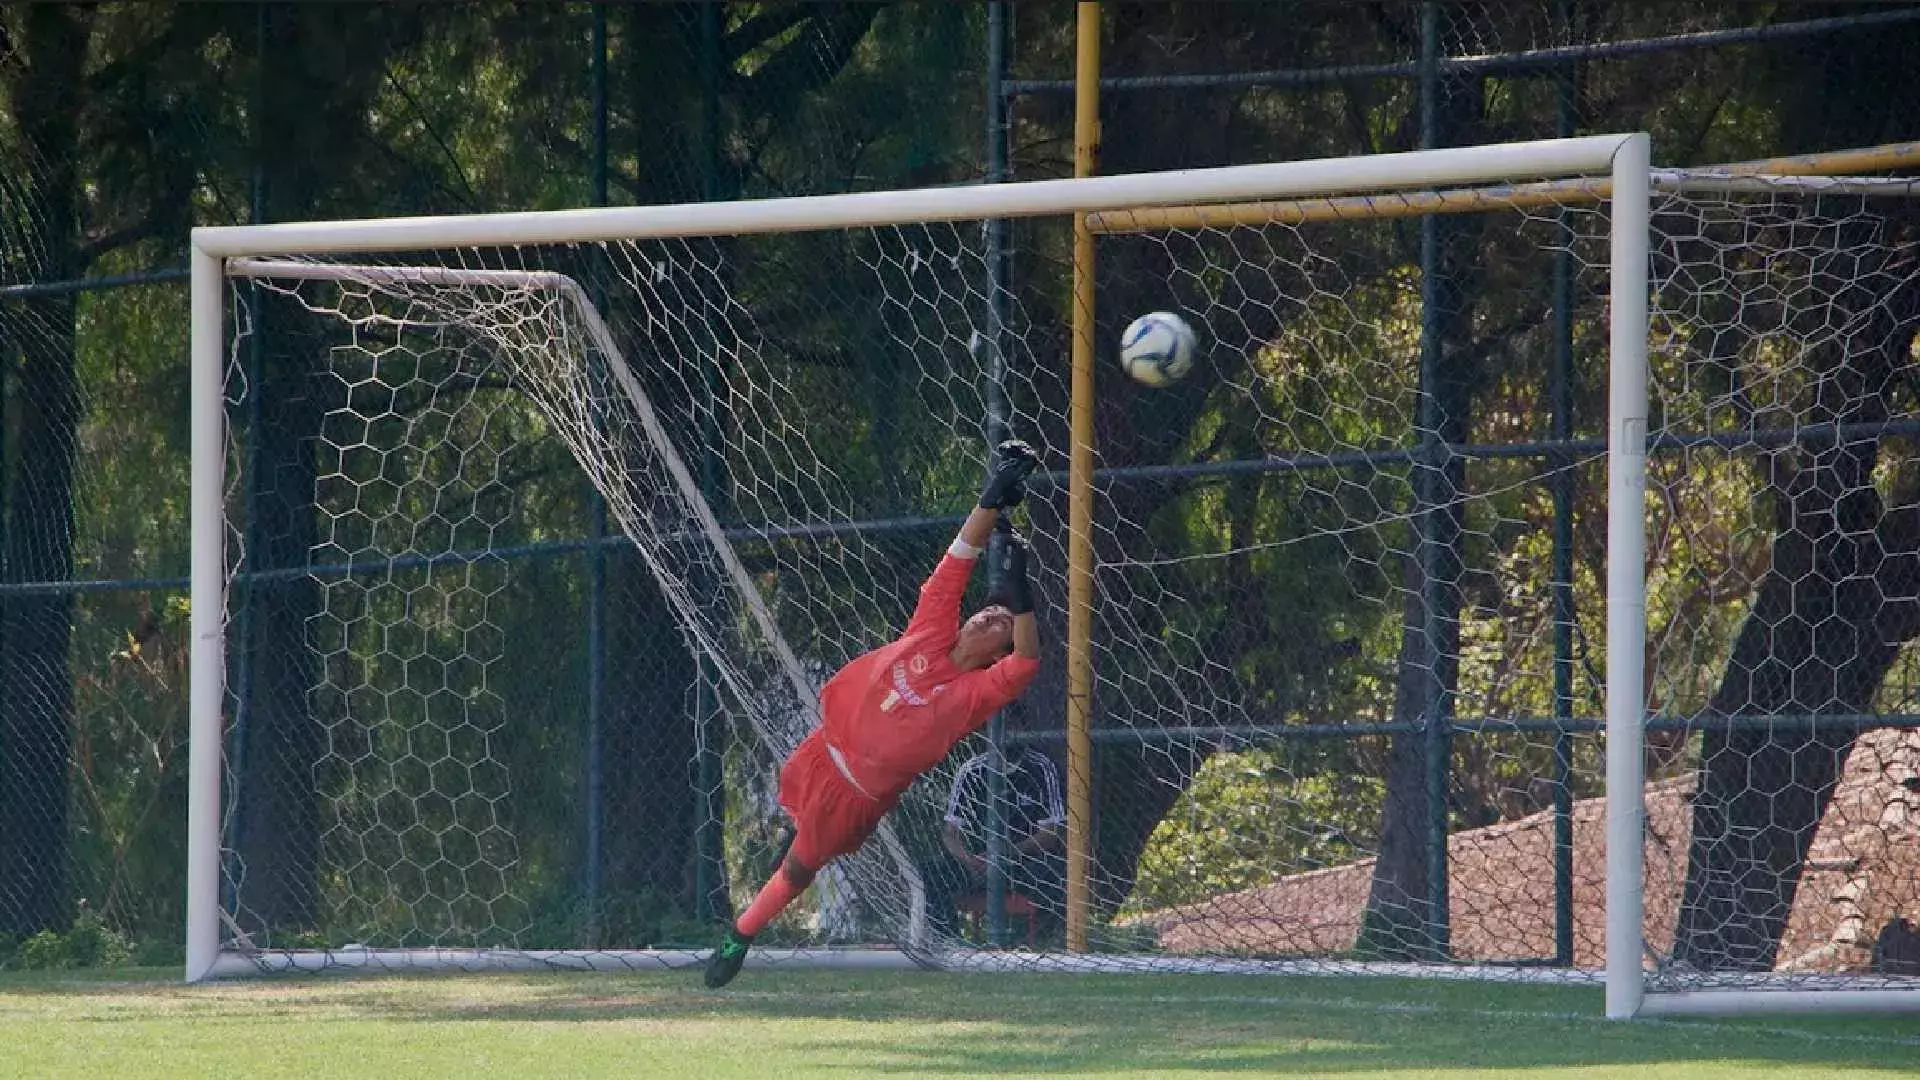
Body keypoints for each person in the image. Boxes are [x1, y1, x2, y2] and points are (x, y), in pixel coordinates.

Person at [704, 440, 1044, 988]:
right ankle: (744, 925)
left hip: (853, 795)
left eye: (1001, 622)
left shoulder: (975, 694)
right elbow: (959, 556)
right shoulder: (931, 630)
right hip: (819, 753)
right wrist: (993, 493)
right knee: (788, 841)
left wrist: (1020, 594)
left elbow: (1028, 660)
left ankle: (739, 933)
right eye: (988, 610)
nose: (989, 617)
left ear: (998, 652)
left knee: (799, 866)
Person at [925, 744, 1066, 939]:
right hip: (978, 864)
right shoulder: (972, 770)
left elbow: (1050, 834)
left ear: (1020, 727)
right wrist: (969, 859)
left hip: (1023, 863)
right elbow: (950, 834)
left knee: (1060, 874)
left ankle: (1041, 944)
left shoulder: (1041, 767)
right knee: (932, 874)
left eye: (1011, 724)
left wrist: (1009, 853)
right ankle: (947, 943)